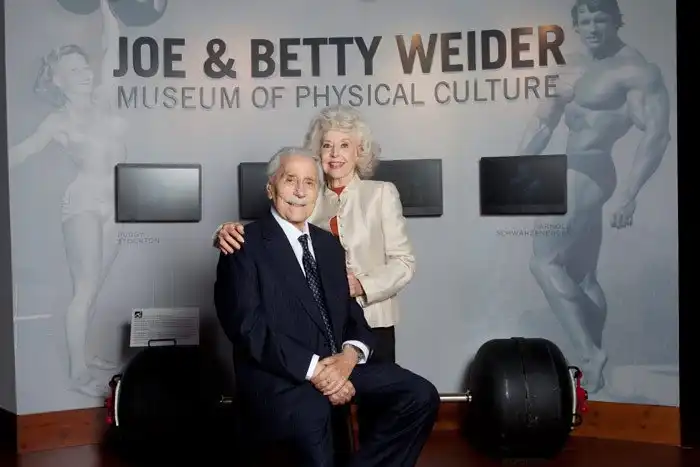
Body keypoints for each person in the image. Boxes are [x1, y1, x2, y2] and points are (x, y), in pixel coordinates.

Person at [214, 147, 439, 467]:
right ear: (270, 188)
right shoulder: (242, 245)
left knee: (419, 395)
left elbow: (353, 317)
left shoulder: (329, 245)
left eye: (309, 182)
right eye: (290, 180)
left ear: (318, 193)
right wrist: (317, 372)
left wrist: (348, 358)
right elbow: (250, 331)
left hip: (338, 363)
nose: (300, 191)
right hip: (282, 377)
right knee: (315, 425)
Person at [515, 0, 671, 393]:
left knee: (543, 262)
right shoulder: (569, 64)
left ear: (617, 21)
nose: (592, 27)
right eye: (584, 20)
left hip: (590, 169)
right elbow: (543, 120)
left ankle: (589, 353)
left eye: (600, 19)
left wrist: (630, 194)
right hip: (567, 170)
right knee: (583, 276)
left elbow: (656, 135)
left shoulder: (635, 71)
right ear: (577, 26)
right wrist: (515, 167)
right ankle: (596, 358)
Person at [214, 105, 414, 364]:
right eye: (327, 145)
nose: (335, 154)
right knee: (326, 385)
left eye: (344, 145)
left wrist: (360, 285)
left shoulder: (381, 193)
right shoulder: (306, 195)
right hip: (322, 325)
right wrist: (225, 232)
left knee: (379, 387)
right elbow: (272, 237)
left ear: (359, 151)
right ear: (317, 152)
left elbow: (404, 262)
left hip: (374, 322)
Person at [8, 0, 124, 397]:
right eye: (73, 70)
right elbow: (23, 151)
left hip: (115, 204)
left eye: (84, 66)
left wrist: (105, 6)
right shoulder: (57, 121)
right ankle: (78, 375)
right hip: (83, 204)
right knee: (85, 288)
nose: (85, 73)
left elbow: (113, 45)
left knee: (96, 288)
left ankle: (85, 354)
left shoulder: (105, 97)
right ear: (57, 81)